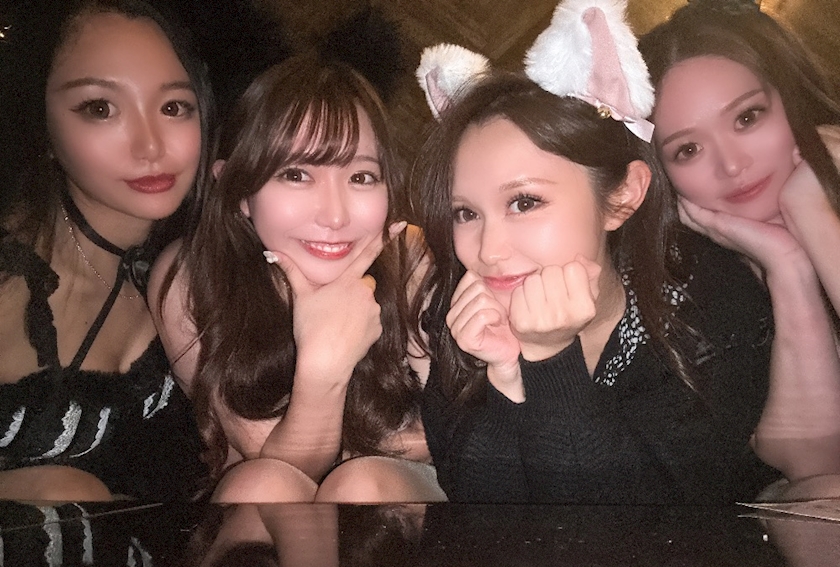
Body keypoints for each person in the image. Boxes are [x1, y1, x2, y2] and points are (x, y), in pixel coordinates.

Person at [411, 0, 781, 503]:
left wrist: (549, 361)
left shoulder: (710, 305)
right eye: (465, 213)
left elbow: (631, 525)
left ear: (623, 196)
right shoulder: (460, 315)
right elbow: (482, 512)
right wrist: (507, 379)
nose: (489, 251)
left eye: (525, 202)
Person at [149, 53, 445, 503]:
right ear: (239, 190)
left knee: (358, 486)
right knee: (259, 486)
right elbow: (282, 474)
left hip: (405, 503)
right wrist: (325, 366)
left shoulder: (410, 259)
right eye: (296, 174)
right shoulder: (196, 276)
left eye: (362, 177)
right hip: (265, 518)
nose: (335, 216)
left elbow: (457, 436)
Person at [0, 0, 212, 501]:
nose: (150, 146)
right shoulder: (11, 279)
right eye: (100, 108)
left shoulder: (213, 266)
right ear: (39, 123)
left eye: (173, 107)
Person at [639, 0, 840, 483]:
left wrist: (814, 218)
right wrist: (788, 269)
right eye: (688, 149)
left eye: (747, 118)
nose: (731, 165)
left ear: (790, 100)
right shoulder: (689, 299)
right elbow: (816, 470)